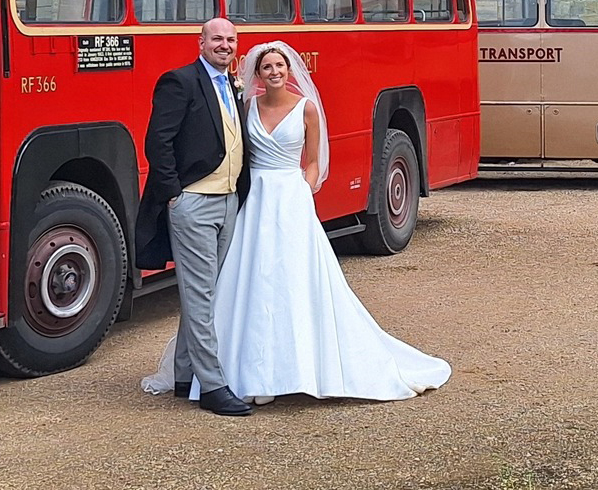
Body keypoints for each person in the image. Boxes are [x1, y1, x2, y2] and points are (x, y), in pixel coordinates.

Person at [142, 40, 451, 404]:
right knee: (248, 283)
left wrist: (304, 187)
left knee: (292, 284)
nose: (274, 72)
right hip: (254, 200)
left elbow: (315, 161)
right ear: (257, 74)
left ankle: (295, 369)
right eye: (267, 67)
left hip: (290, 199)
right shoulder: (247, 106)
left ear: (290, 71)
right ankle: (247, 372)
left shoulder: (306, 109)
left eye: (280, 66)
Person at [134, 17, 253, 416]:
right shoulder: (179, 81)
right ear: (200, 42)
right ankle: (213, 385)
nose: (225, 45)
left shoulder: (232, 84)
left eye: (231, 39)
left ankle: (184, 374)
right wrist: (174, 196)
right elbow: (158, 141)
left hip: (228, 199)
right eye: (217, 38)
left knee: (206, 291)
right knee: (201, 295)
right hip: (194, 203)